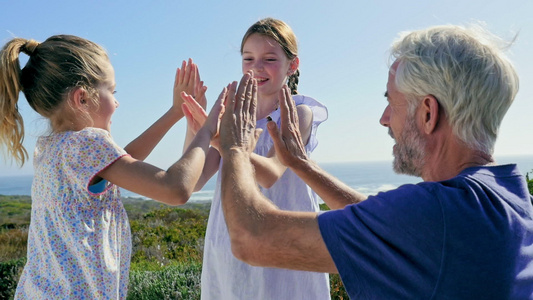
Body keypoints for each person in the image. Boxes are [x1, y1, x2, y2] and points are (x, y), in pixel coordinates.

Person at [217, 24, 533, 299]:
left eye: (391, 102)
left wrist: (234, 147)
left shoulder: (436, 215)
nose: (384, 120)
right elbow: (386, 224)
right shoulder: (512, 199)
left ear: (427, 113)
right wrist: (303, 165)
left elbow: (251, 239)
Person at [0, 35, 223, 299]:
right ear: (82, 98)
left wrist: (176, 112)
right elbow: (175, 189)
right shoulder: (88, 144)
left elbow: (123, 160)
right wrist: (207, 130)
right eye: (111, 91)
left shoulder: (52, 149)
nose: (116, 102)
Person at [180, 18, 330, 299]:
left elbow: (271, 174)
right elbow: (196, 179)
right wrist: (195, 126)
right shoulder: (232, 115)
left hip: (285, 242)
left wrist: (220, 139)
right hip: (231, 241)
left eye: (269, 58)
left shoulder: (298, 113)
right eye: (248, 58)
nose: (256, 67)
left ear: (292, 65)